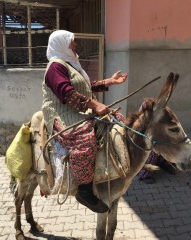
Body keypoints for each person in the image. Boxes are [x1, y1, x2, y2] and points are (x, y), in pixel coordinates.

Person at [42, 30, 128, 213]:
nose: (75, 45)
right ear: (62, 44)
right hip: (62, 111)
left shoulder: (71, 64)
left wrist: (110, 82)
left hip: (79, 107)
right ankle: (84, 190)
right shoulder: (55, 66)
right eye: (72, 42)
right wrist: (95, 105)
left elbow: (84, 86)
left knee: (118, 120)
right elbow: (67, 92)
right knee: (85, 140)